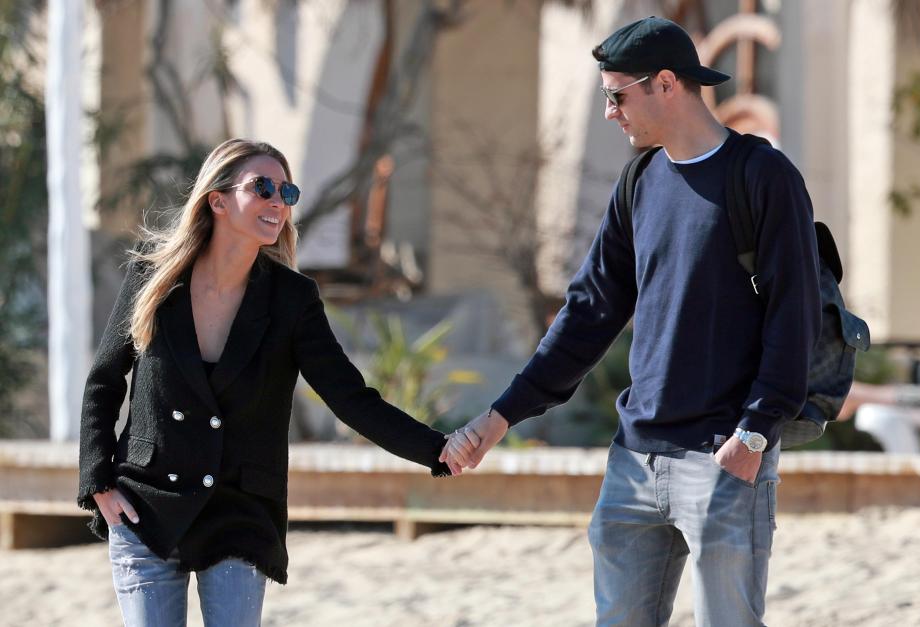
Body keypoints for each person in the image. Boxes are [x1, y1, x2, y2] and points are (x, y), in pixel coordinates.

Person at [442, 16, 821, 627]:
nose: (610, 112)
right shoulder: (640, 181)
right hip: (634, 459)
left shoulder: (762, 175)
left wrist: (755, 433)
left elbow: (793, 314)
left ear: (666, 83)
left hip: (725, 456)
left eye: (617, 95)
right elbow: (590, 311)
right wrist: (502, 415)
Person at [77, 139, 460, 627]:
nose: (277, 201)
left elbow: (350, 398)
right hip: (147, 505)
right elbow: (104, 382)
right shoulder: (152, 279)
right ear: (217, 200)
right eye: (262, 187)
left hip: (240, 511)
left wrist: (436, 450)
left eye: (286, 190)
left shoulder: (292, 299)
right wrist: (98, 482)